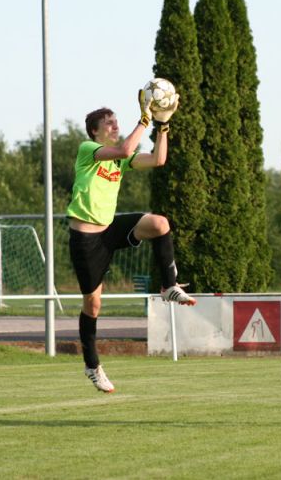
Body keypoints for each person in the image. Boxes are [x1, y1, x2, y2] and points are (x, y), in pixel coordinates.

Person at [67, 88, 196, 394]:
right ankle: (92, 365)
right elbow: (126, 150)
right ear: (95, 131)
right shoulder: (88, 150)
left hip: (109, 228)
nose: (115, 126)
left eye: (116, 121)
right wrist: (145, 119)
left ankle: (168, 286)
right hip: (85, 240)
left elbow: (158, 159)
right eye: (109, 123)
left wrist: (162, 125)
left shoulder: (119, 161)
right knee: (93, 305)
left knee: (159, 223)